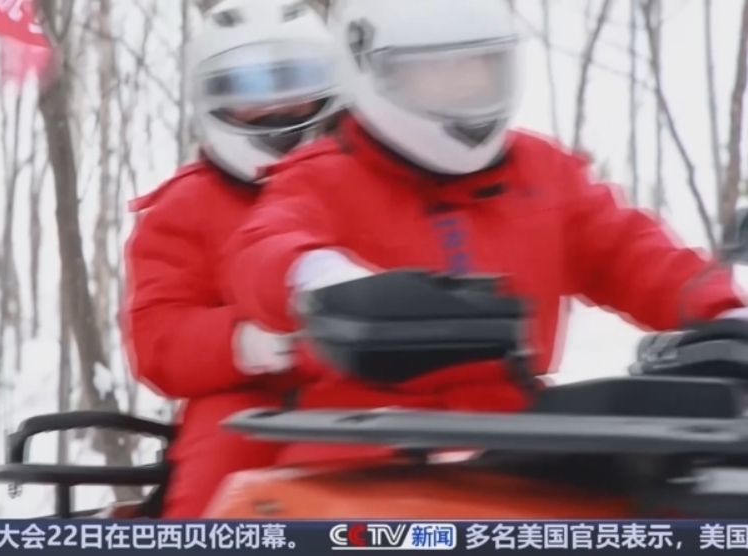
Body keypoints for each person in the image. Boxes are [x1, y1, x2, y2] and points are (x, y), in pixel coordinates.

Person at [222, 0, 747, 465]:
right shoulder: (321, 177)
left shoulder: (542, 173)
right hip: (359, 438)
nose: (464, 87)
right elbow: (261, 246)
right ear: (369, 69)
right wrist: (322, 278)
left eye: (481, 68)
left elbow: (630, 251)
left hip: (516, 433)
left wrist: (723, 312)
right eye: (436, 72)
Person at [122, 0, 340, 517]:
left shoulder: (365, 182)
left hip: (366, 393)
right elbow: (156, 334)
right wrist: (238, 341)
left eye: (297, 84)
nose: (277, 108)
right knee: (221, 470)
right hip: (246, 400)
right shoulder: (182, 209)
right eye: (248, 90)